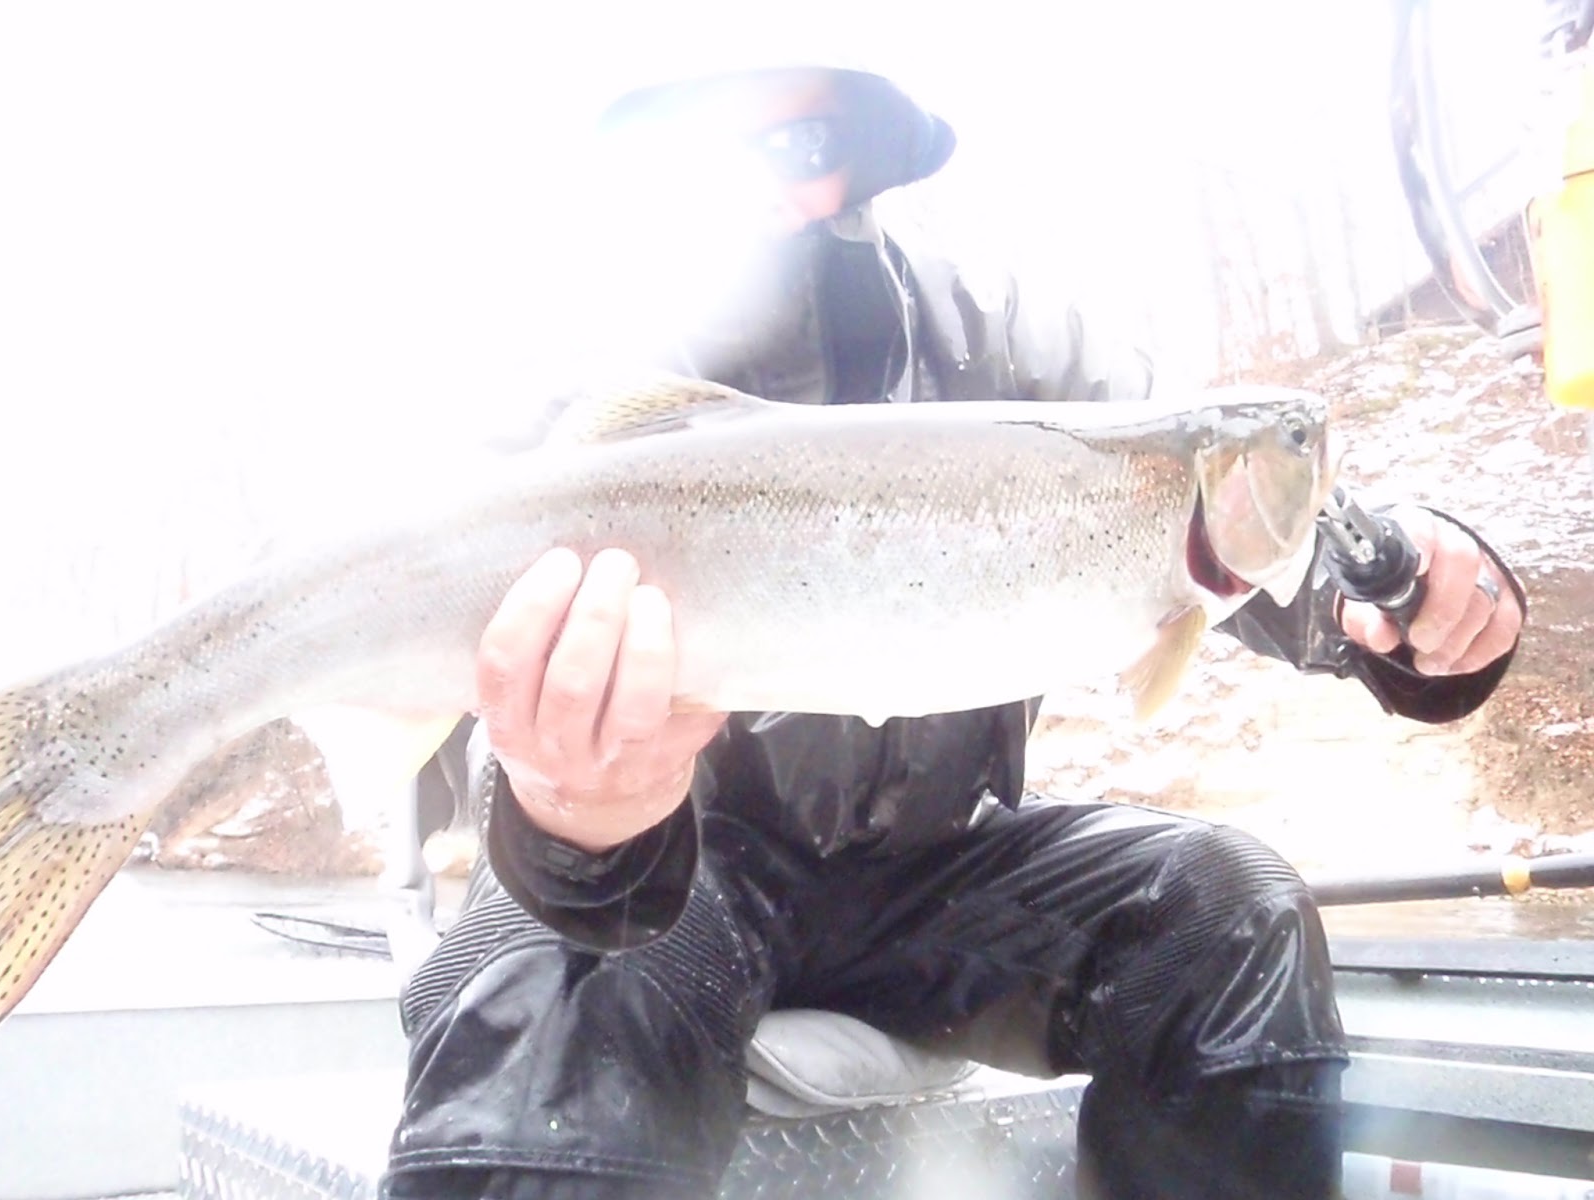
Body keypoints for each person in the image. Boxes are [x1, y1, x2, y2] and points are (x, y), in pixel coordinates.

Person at [381, 65, 1525, 1200]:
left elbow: (1209, 495)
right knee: (553, 988)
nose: (757, 185)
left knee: (1229, 909)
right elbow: (442, 623)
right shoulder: (572, 354)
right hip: (657, 855)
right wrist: (571, 821)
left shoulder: (1005, 333)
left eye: (796, 146)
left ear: (859, 156)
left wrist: (1392, 595)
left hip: (935, 867)